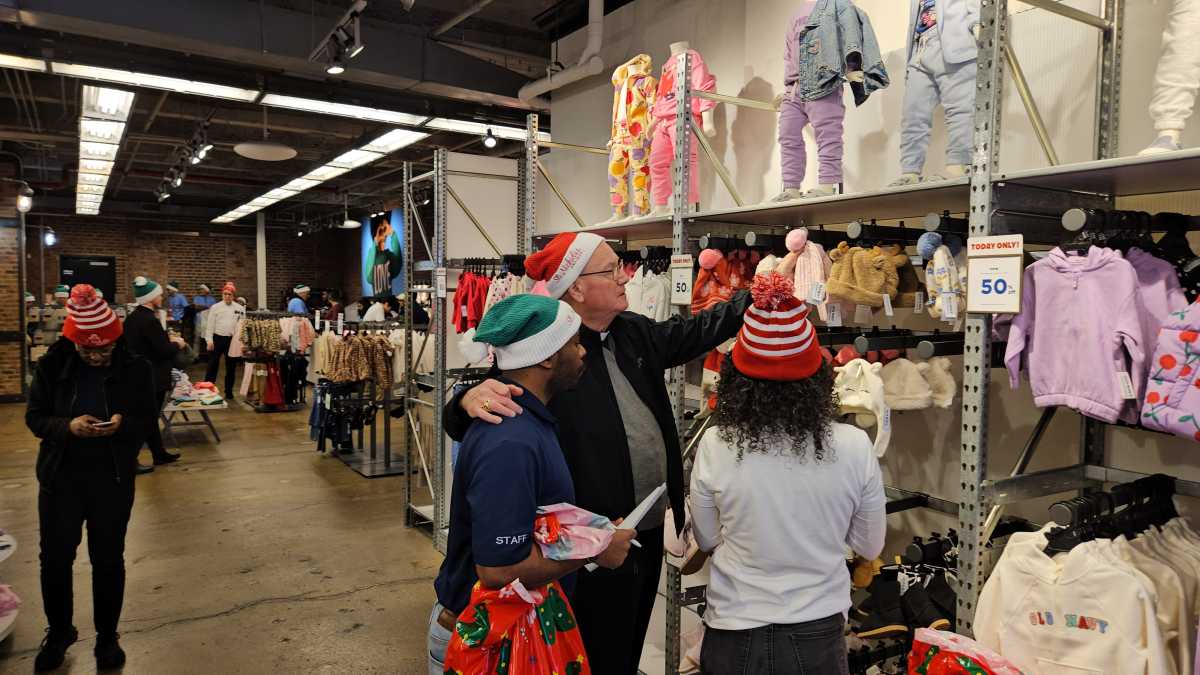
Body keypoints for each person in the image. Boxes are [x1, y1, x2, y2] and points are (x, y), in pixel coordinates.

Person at [442, 231, 753, 673]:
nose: (626, 276)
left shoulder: (632, 332)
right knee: (587, 648)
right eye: (611, 270)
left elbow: (693, 332)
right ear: (576, 287)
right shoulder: (551, 351)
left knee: (623, 645)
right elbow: (495, 398)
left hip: (636, 535)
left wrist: (753, 298)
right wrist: (462, 402)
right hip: (578, 547)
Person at [689, 271, 887, 675]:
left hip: (733, 627)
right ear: (817, 375)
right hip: (817, 630)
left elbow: (707, 537)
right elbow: (869, 545)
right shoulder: (852, 445)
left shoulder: (717, 444)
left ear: (736, 380)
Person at [428, 294, 635, 673]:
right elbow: (498, 570)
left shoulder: (528, 418)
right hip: (487, 641)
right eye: (574, 343)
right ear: (546, 356)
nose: (583, 352)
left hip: (511, 629)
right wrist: (595, 550)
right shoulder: (512, 441)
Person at [25, 284, 157, 672]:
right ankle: (60, 630)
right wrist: (68, 427)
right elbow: (35, 418)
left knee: (108, 560)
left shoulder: (136, 368)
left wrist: (124, 422)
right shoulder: (53, 365)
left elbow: (148, 419)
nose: (97, 357)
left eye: (105, 350)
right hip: (60, 478)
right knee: (54, 560)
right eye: (88, 350)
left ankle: (107, 636)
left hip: (111, 479)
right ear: (74, 343)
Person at [121, 276, 186, 473]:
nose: (161, 297)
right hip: (151, 376)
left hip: (139, 374)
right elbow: (162, 350)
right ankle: (130, 460)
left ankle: (158, 453)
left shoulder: (133, 318)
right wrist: (177, 343)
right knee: (146, 419)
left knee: (150, 417)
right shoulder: (149, 320)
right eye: (158, 294)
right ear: (150, 298)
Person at [205, 282, 245, 399]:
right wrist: (209, 340)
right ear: (222, 294)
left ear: (233, 296)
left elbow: (242, 326)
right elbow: (210, 325)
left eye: (230, 294)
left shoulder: (240, 308)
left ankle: (229, 391)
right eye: (225, 294)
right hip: (217, 339)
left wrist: (241, 343)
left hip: (232, 340)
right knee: (212, 365)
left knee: (231, 366)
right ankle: (207, 390)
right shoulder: (215, 307)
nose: (227, 296)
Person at [368, 218, 402, 296]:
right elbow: (369, 278)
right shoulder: (372, 253)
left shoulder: (388, 254)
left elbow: (398, 266)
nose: (384, 230)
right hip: (377, 299)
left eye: (385, 227)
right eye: (381, 229)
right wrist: (376, 242)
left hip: (388, 299)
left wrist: (393, 234)